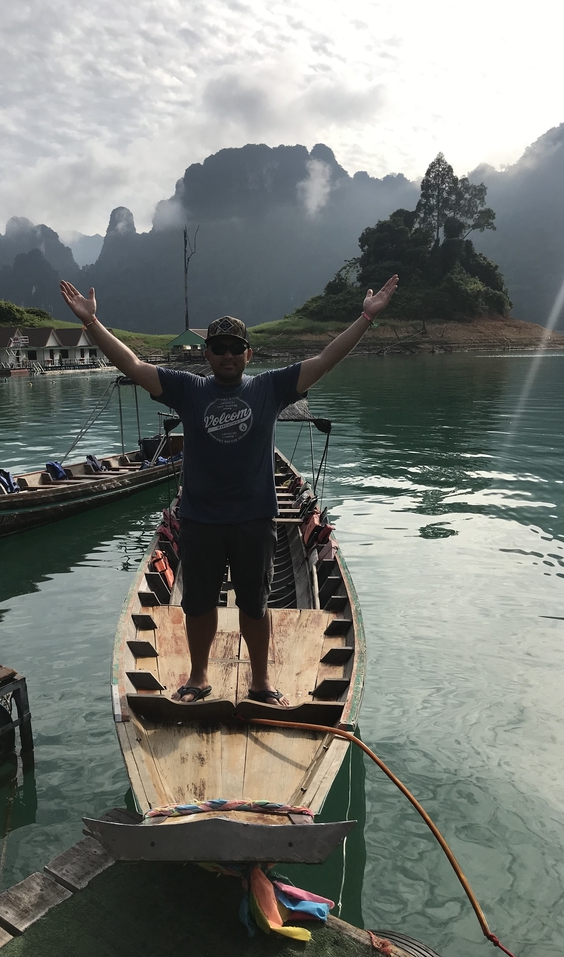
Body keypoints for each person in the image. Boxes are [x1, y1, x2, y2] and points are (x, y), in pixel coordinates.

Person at [60, 276, 398, 705]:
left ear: (247, 354)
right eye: (218, 348)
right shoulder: (189, 389)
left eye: (235, 348)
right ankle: (198, 678)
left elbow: (325, 359)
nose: (226, 355)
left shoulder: (268, 388)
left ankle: (260, 683)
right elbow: (132, 365)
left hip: (255, 519)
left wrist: (366, 317)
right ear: (207, 355)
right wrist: (92, 324)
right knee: (198, 605)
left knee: (255, 606)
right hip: (200, 519)